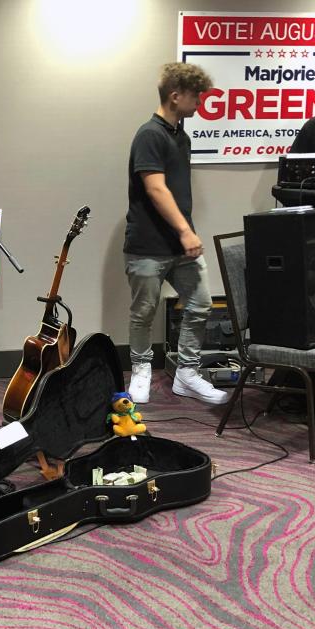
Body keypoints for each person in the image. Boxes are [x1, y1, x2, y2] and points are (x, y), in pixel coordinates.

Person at [124, 62, 228, 406]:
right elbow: (155, 189)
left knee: (199, 305)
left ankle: (186, 373)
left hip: (181, 246)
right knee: (144, 311)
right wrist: (185, 231)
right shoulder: (149, 135)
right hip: (148, 246)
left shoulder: (179, 136)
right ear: (175, 95)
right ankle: (140, 369)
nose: (201, 102)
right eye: (196, 96)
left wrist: (185, 233)